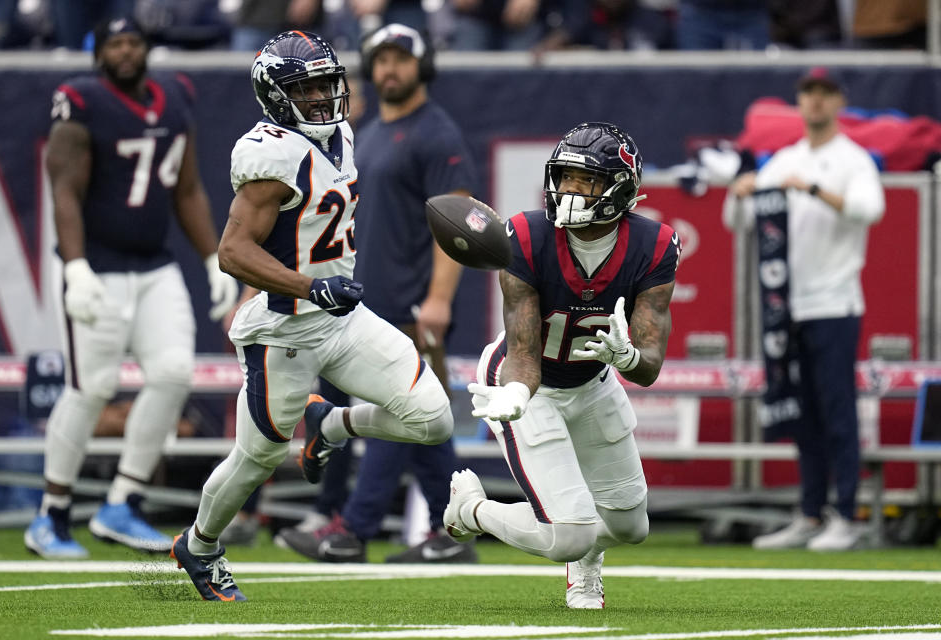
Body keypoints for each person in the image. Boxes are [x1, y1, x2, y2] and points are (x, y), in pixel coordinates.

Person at [169, 30, 454, 602]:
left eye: (329, 83)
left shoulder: (342, 133)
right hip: (285, 329)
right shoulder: (270, 155)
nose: (325, 98)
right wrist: (310, 286)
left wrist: (327, 293)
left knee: (434, 419)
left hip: (343, 318)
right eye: (309, 88)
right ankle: (199, 545)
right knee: (258, 460)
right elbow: (232, 252)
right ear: (276, 96)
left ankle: (333, 425)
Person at [23, 16, 240, 559]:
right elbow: (64, 189)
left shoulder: (175, 96)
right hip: (94, 264)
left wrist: (212, 255)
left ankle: (123, 502)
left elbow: (186, 187)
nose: (124, 51)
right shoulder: (79, 99)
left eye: (132, 42)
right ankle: (50, 514)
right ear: (99, 52)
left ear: (147, 49)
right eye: (114, 43)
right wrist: (74, 266)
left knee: (173, 373)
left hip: (153, 266)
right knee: (90, 387)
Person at [443, 122, 681, 609]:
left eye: (585, 179)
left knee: (631, 526)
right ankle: (472, 510)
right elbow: (524, 351)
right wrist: (515, 393)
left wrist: (628, 356)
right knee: (570, 535)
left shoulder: (654, 246)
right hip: (530, 384)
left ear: (621, 187)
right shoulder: (526, 236)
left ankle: (581, 553)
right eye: (565, 176)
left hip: (593, 381)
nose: (570, 188)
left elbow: (650, 364)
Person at [272, 22, 477, 564]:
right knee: (425, 423)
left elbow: (459, 226)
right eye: (380, 59)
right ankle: (450, 533)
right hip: (368, 301)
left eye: (401, 59)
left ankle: (353, 530)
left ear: (422, 64)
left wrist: (439, 299)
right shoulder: (371, 129)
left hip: (412, 304)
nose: (389, 69)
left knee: (399, 410)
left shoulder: (437, 133)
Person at [723, 68, 884, 551]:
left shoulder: (853, 160)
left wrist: (811, 190)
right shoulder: (783, 160)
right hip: (787, 308)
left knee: (838, 411)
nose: (815, 102)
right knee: (802, 414)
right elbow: (741, 222)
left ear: (839, 101)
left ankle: (847, 515)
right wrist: (739, 193)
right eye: (808, 94)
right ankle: (811, 513)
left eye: (825, 94)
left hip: (835, 304)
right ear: (800, 102)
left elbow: (868, 210)